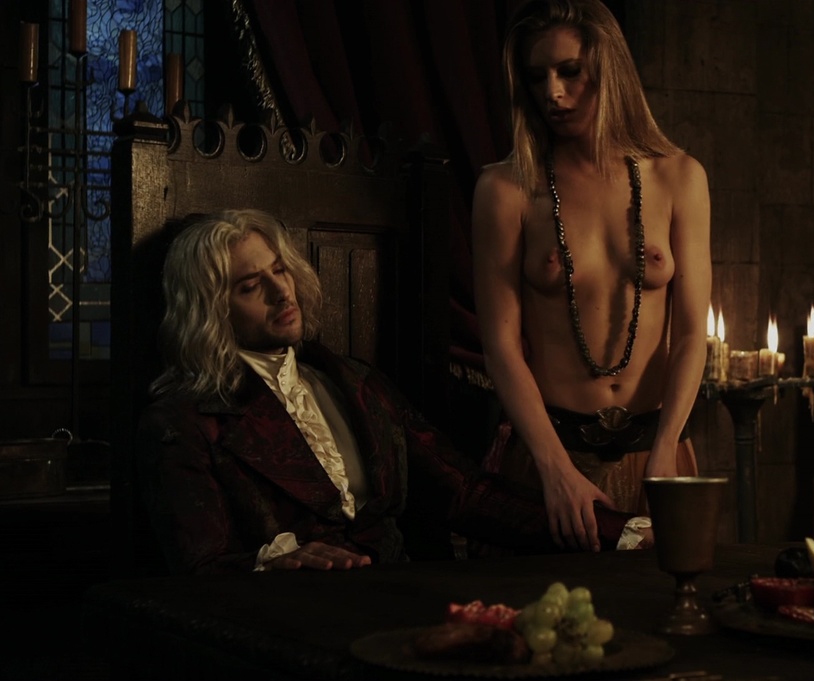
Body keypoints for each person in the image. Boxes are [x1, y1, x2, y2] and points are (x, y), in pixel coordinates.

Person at [136, 209, 638, 575]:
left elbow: (465, 493)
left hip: (399, 596)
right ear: (211, 311)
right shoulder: (183, 422)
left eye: (279, 269)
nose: (281, 292)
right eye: (250, 286)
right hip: (292, 622)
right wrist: (274, 564)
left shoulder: (353, 381)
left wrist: (622, 531)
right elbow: (199, 565)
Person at [473, 0, 711, 553]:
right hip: (550, 458)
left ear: (610, 70)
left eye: (570, 71)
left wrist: (666, 450)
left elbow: (691, 333)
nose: (553, 93)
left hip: (657, 453)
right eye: (538, 77)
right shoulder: (506, 190)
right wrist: (554, 468)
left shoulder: (679, 178)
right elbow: (500, 345)